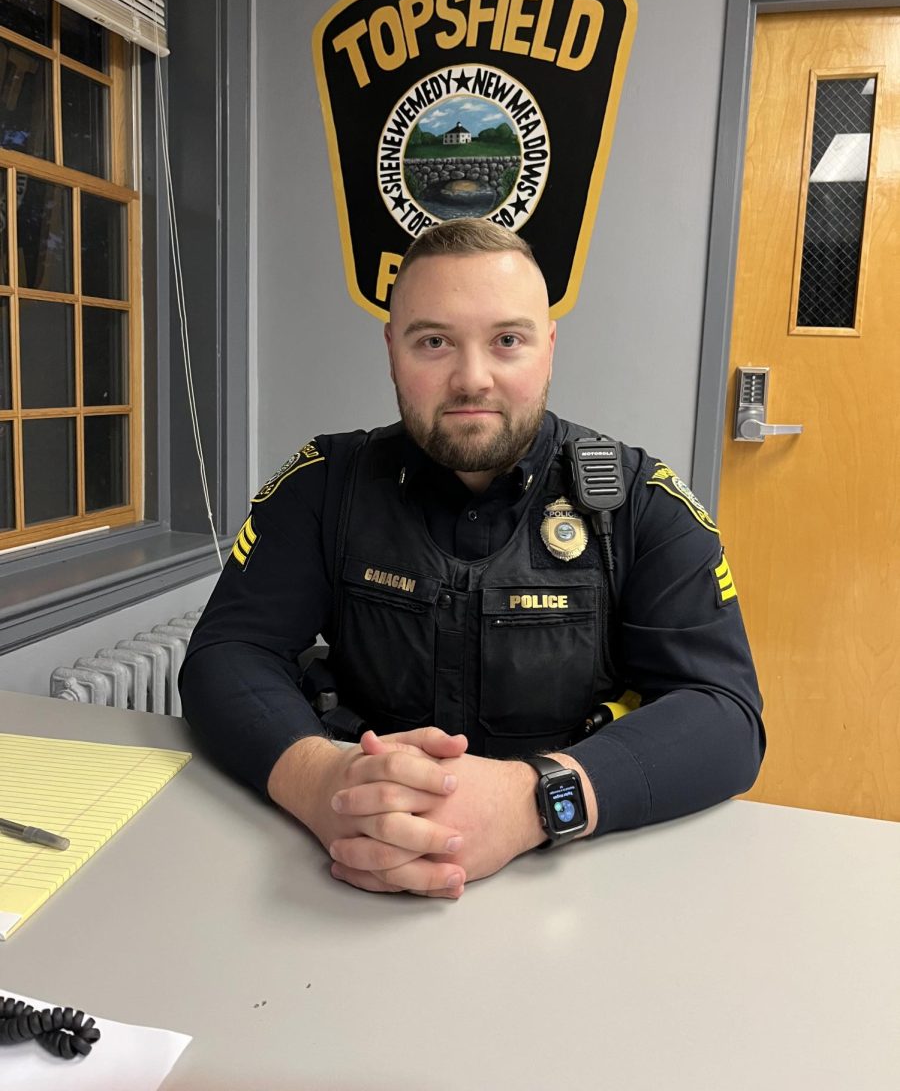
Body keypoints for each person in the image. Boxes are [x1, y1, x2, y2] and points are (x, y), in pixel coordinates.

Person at [180, 218, 764, 900]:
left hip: (577, 884)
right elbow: (228, 652)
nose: (472, 379)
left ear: (549, 347)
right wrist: (321, 784)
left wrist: (534, 801)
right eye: (434, 342)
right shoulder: (322, 486)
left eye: (507, 341)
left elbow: (725, 714)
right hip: (347, 869)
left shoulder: (640, 503)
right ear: (392, 349)